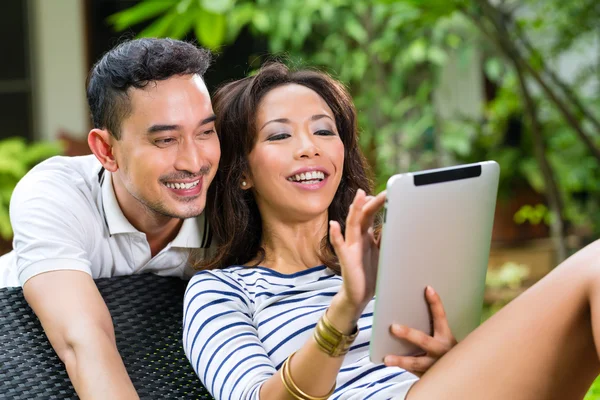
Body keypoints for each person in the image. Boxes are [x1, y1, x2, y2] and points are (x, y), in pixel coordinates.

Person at [183, 62, 600, 400]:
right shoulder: (220, 291)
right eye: (280, 135)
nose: (309, 147)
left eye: (324, 130)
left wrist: (446, 357)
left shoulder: (389, 256)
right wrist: (346, 306)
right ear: (241, 173)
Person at [0, 38, 219, 399]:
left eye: (206, 132)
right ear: (106, 150)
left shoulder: (232, 207)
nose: (194, 162)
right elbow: (82, 343)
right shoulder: (56, 194)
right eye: (166, 140)